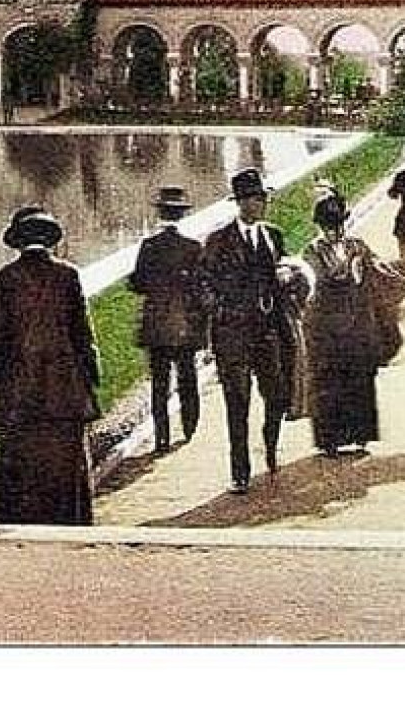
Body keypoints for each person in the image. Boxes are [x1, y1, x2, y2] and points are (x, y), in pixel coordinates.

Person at [0, 207, 99, 524]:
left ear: (17, 242)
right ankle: (70, 520)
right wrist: (90, 377)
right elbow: (82, 334)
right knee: (64, 458)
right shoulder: (68, 275)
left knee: (22, 456)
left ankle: (22, 521)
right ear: (50, 240)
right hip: (63, 384)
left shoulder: (4, 279)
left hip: (19, 387)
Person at [200, 167, 306, 494]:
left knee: (276, 395)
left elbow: (286, 271)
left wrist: (290, 279)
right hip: (232, 334)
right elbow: (202, 283)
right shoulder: (219, 240)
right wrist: (221, 309)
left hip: (268, 331)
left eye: (261, 199)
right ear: (240, 203)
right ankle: (240, 470)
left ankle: (270, 446)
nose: (257, 205)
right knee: (238, 402)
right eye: (250, 200)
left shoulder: (272, 236)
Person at [302, 192, 394, 456]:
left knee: (359, 379)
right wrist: (348, 272)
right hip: (327, 327)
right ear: (321, 227)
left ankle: (360, 435)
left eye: (339, 225)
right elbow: (320, 279)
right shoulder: (313, 251)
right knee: (330, 382)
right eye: (330, 227)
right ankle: (329, 440)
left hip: (357, 325)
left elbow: (376, 271)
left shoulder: (357, 245)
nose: (336, 232)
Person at [128, 186, 205, 454]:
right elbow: (200, 286)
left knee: (160, 382)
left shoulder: (149, 247)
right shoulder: (193, 247)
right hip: (184, 321)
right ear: (182, 215)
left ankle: (162, 435)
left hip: (157, 323)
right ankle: (189, 426)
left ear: (161, 214)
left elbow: (137, 284)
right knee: (188, 376)